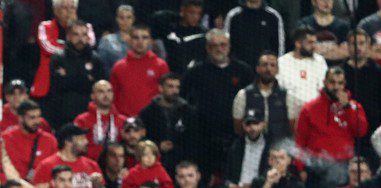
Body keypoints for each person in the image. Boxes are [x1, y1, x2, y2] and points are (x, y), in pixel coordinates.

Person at [181, 29, 253, 176]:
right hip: (204, 137)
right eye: (214, 45)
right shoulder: (195, 72)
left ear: (229, 47)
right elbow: (183, 99)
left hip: (234, 136)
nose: (219, 49)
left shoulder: (243, 70)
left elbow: (252, 101)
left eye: (223, 45)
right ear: (207, 48)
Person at [295, 67, 369, 188]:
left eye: (340, 83)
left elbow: (361, 131)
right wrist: (300, 168)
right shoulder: (309, 108)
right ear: (324, 82)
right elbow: (300, 141)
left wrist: (347, 107)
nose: (336, 87)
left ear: (344, 84)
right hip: (317, 166)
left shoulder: (354, 107)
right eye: (332, 82)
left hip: (344, 165)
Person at [45, 19, 103, 130]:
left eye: (84, 34)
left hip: (88, 114)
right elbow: (58, 85)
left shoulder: (95, 59)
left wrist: (68, 77)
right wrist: (86, 79)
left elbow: (98, 86)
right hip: (63, 114)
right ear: (68, 36)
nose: (80, 39)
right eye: (76, 34)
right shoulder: (58, 58)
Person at [110, 23, 167, 119]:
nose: (140, 42)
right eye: (136, 38)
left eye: (144, 38)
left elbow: (165, 96)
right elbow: (112, 96)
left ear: (150, 41)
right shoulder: (118, 67)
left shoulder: (161, 66)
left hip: (153, 120)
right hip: (125, 121)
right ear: (129, 40)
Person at [276, 28, 326, 126]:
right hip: (289, 116)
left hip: (315, 115)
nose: (314, 46)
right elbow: (278, 91)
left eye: (315, 42)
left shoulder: (319, 61)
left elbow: (323, 89)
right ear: (298, 44)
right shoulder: (282, 62)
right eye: (310, 42)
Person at [224, 0, 285, 68]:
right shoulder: (233, 15)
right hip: (238, 68)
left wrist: (278, 67)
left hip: (265, 69)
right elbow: (225, 43)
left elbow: (279, 47)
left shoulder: (273, 16)